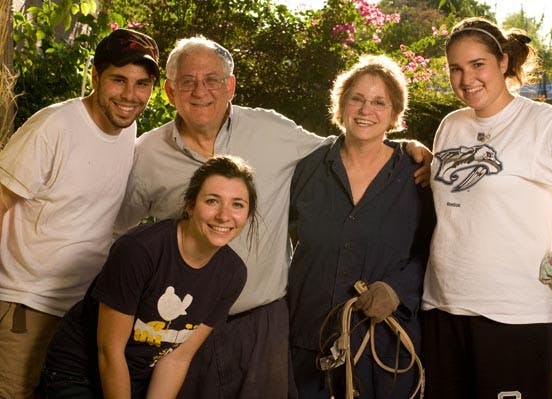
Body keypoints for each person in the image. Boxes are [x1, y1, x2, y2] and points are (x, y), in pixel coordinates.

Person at [114, 36, 432, 398]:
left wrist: (407, 147)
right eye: (187, 81)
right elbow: (117, 233)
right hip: (180, 326)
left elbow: (351, 144)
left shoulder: (272, 131)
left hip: (262, 326)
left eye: (212, 80)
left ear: (230, 85)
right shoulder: (148, 154)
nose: (200, 91)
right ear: (170, 92)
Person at [422, 17, 552, 399]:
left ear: (503, 62)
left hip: (512, 316)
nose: (466, 78)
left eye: (477, 64)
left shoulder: (543, 125)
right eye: (456, 68)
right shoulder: (451, 125)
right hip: (441, 307)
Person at [0, 28, 159, 398]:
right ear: (95, 76)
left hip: (81, 309)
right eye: (119, 80)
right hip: (27, 304)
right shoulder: (54, 126)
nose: (130, 95)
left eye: (142, 84)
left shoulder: (127, 128)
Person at [40, 155, 255, 399]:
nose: (224, 216)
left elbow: (176, 358)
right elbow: (110, 351)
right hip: (78, 373)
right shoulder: (139, 250)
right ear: (190, 204)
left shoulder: (233, 274)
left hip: (139, 379)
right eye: (212, 201)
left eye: (237, 204)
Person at [287, 54, 434, 399]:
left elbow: (435, 248)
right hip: (310, 337)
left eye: (379, 102)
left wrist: (399, 289)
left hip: (385, 340)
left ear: (395, 114)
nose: (366, 110)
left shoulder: (417, 177)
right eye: (357, 99)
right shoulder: (307, 169)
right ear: (341, 105)